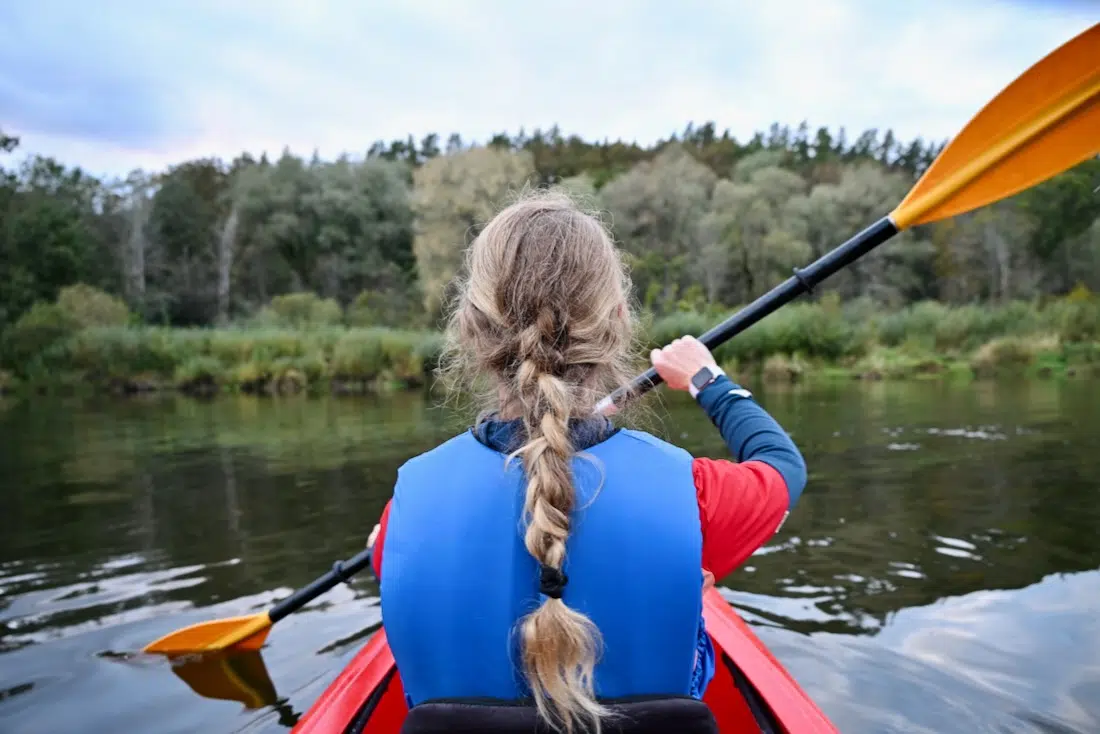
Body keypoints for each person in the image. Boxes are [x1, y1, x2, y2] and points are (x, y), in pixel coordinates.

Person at [366, 190, 806, 734]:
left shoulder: (408, 507)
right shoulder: (694, 496)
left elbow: (386, 561)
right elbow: (782, 465)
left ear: (470, 329)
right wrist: (706, 379)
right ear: (619, 320)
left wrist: (383, 538)